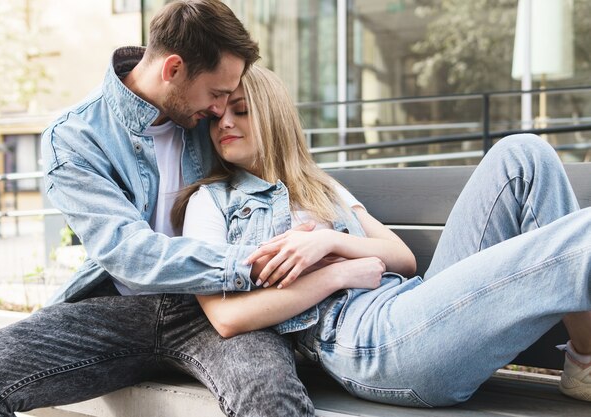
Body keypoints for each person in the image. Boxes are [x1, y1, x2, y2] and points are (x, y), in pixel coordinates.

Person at [0, 2, 317, 416]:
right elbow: (129, 253)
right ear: (172, 70)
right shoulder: (75, 137)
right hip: (114, 308)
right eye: (217, 94)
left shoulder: (209, 121)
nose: (222, 110)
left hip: (217, 306)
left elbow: (279, 157)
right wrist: (253, 264)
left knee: (271, 400)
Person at [173, 64, 591, 407]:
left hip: (412, 304)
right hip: (370, 343)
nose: (224, 123)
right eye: (215, 117)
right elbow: (225, 317)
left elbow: (401, 257)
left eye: (241, 111)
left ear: (273, 115)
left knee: (522, 154)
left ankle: (585, 363)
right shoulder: (210, 202)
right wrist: (336, 276)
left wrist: (330, 242)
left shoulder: (320, 185)